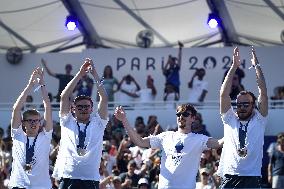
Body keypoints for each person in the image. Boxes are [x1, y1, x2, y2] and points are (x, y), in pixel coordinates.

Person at [114, 103, 223, 189]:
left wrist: (233, 129)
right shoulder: (166, 136)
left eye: (185, 114)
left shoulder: (199, 139)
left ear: (193, 118)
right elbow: (140, 142)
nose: (181, 116)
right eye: (178, 114)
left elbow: (219, 143)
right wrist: (124, 120)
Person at [52, 58, 109, 189]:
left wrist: (94, 73)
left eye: (86, 107)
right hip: (68, 176)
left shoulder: (98, 123)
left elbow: (104, 98)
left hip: (90, 178)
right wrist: (80, 74)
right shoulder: (67, 121)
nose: (83, 109)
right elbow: (64, 97)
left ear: (91, 108)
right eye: (80, 107)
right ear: (73, 108)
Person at [218, 46, 268, 188]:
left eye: (246, 104)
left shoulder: (260, 119)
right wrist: (234, 66)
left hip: (252, 177)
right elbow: (224, 94)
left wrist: (256, 66)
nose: (242, 107)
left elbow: (263, 92)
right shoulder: (229, 119)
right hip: (230, 176)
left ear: (253, 105)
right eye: (239, 105)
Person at [9, 67, 53, 188]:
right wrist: (29, 86)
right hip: (19, 185)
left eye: (36, 121)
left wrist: (42, 85)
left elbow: (48, 107)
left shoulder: (45, 135)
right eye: (30, 121)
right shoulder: (17, 134)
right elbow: (16, 109)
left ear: (40, 122)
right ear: (23, 123)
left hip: (41, 186)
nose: (34, 123)